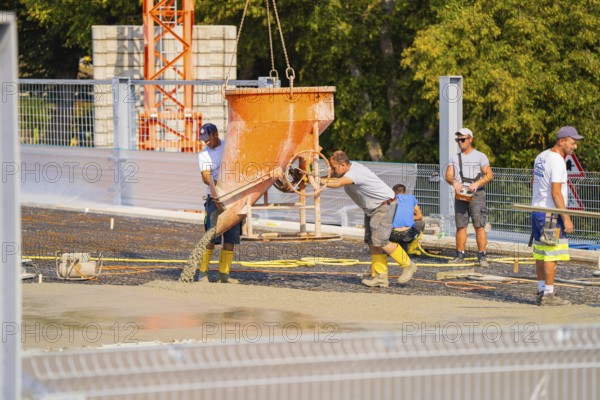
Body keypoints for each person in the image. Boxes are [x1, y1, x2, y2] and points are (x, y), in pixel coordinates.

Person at [326, 150, 417, 287]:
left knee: (382, 241)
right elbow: (330, 179)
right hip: (373, 209)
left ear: (343, 165)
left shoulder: (354, 173)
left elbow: (337, 183)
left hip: (383, 206)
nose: (331, 170)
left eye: (334, 167)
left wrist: (315, 181)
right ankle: (381, 277)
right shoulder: (348, 170)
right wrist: (310, 179)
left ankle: (408, 264)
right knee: (372, 242)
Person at [531, 126, 583, 306]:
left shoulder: (541, 156)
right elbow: (556, 192)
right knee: (551, 254)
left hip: (537, 210)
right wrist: (566, 217)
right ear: (562, 141)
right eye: (572, 143)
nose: (574, 147)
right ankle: (549, 295)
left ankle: (541, 290)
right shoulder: (558, 161)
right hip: (550, 214)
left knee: (540, 252)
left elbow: (534, 182)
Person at [197, 123, 241, 283]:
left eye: (208, 140)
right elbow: (205, 176)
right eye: (204, 141)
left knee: (231, 238)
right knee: (211, 237)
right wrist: (218, 190)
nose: (206, 143)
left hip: (233, 199)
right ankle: (202, 273)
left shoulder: (228, 148)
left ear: (215, 134)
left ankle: (224, 274)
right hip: (214, 199)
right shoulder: (203, 155)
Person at [445, 127, 493, 267]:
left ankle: (482, 256)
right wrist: (454, 182)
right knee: (461, 226)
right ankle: (460, 255)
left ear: (470, 139)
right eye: (457, 140)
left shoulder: (480, 156)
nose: (460, 142)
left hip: (476, 194)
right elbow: (448, 174)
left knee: (479, 225)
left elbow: (489, 175)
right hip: (461, 194)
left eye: (462, 139)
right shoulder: (454, 157)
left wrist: (477, 183)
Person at [389, 184, 425, 256]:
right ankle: (411, 248)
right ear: (405, 192)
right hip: (408, 235)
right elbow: (419, 216)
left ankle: (387, 247)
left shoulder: (389, 199)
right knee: (421, 223)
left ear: (393, 192)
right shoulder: (411, 198)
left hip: (392, 235)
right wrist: (408, 217)